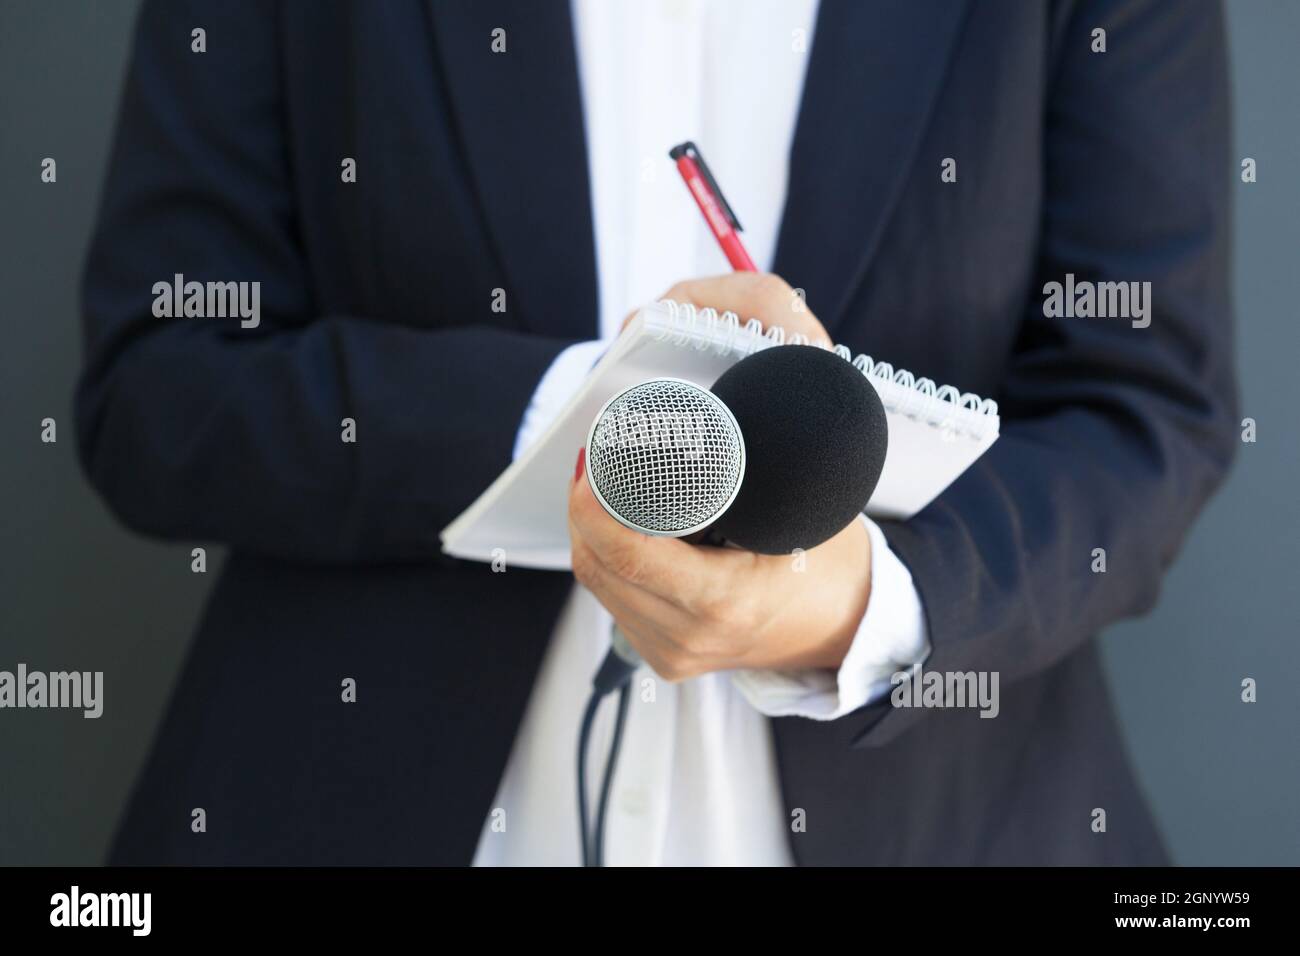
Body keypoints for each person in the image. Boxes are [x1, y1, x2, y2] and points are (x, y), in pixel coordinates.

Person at [79, 0, 1235, 865]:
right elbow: (158, 385)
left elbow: (1142, 410)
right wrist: (593, 417)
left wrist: (858, 610)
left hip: (951, 819)